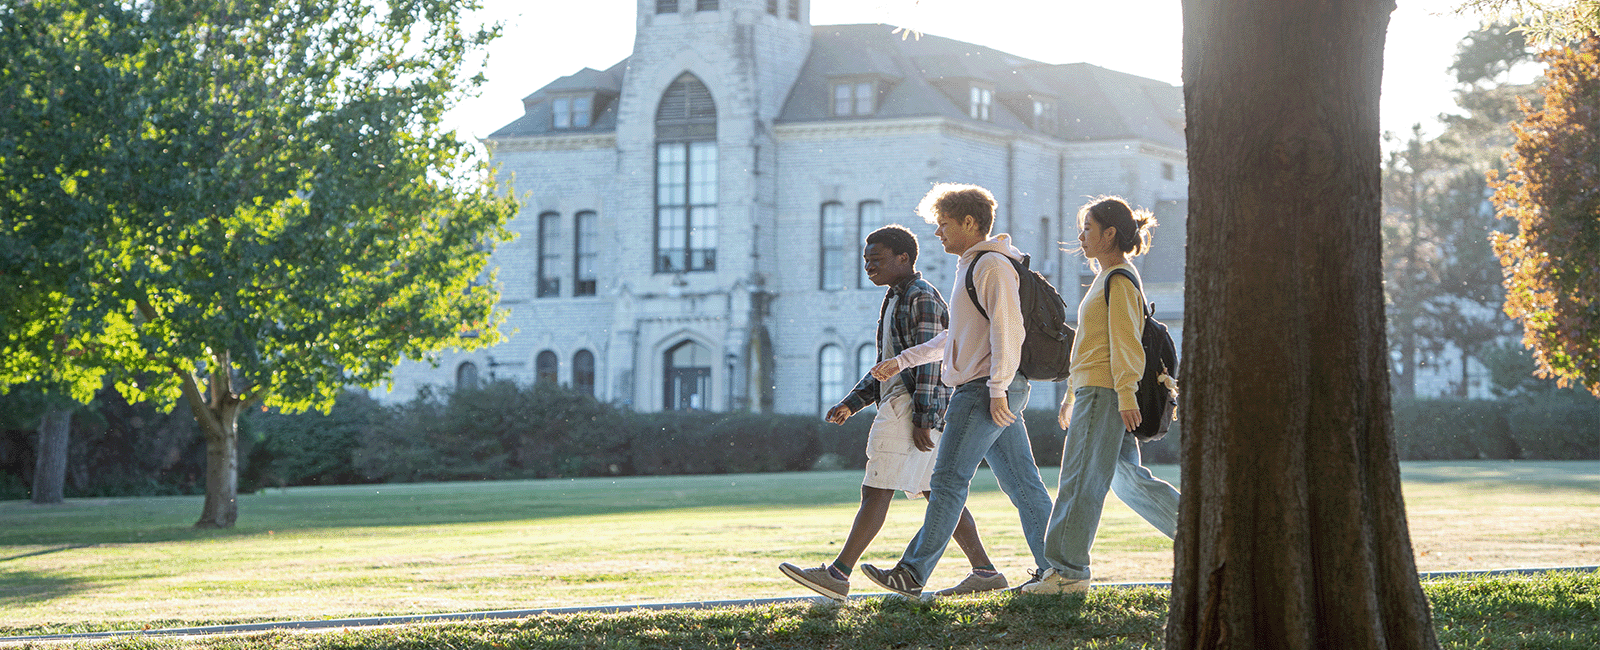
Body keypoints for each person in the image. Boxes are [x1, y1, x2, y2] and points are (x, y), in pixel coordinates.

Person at [779, 225, 1008, 600]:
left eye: (877, 259)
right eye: (866, 260)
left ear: (904, 258)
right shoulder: (894, 297)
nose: (868, 266)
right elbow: (888, 364)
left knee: (877, 487)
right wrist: (852, 403)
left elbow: (933, 362)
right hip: (904, 403)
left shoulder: (921, 297)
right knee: (936, 491)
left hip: (908, 409)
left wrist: (924, 418)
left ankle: (837, 574)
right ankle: (985, 572)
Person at [857, 183, 1056, 598]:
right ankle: (1059, 570)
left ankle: (911, 573)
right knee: (1023, 485)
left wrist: (998, 389)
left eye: (943, 224)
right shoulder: (972, 265)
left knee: (946, 480)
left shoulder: (990, 266)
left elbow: (1008, 329)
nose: (937, 233)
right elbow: (955, 337)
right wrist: (903, 360)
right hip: (990, 386)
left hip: (985, 389)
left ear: (969, 222)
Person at [1021, 196, 1181, 594]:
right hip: (1098, 390)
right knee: (1128, 480)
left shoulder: (1119, 279)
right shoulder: (1107, 277)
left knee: (1078, 481)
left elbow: (1125, 342)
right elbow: (1091, 345)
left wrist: (1125, 395)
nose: (1081, 236)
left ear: (1110, 233)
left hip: (1108, 393)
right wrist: (1072, 394)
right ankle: (1206, 539)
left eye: (1088, 228)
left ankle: (1067, 573)